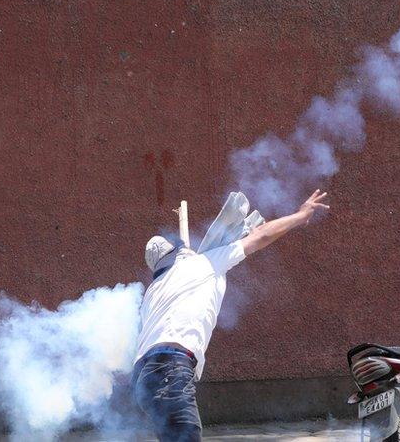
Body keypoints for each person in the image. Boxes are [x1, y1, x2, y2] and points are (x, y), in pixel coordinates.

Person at [130, 189, 330, 441]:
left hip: (143, 380)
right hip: (171, 367)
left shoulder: (153, 292)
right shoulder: (203, 263)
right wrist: (300, 216)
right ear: (178, 253)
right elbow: (261, 235)